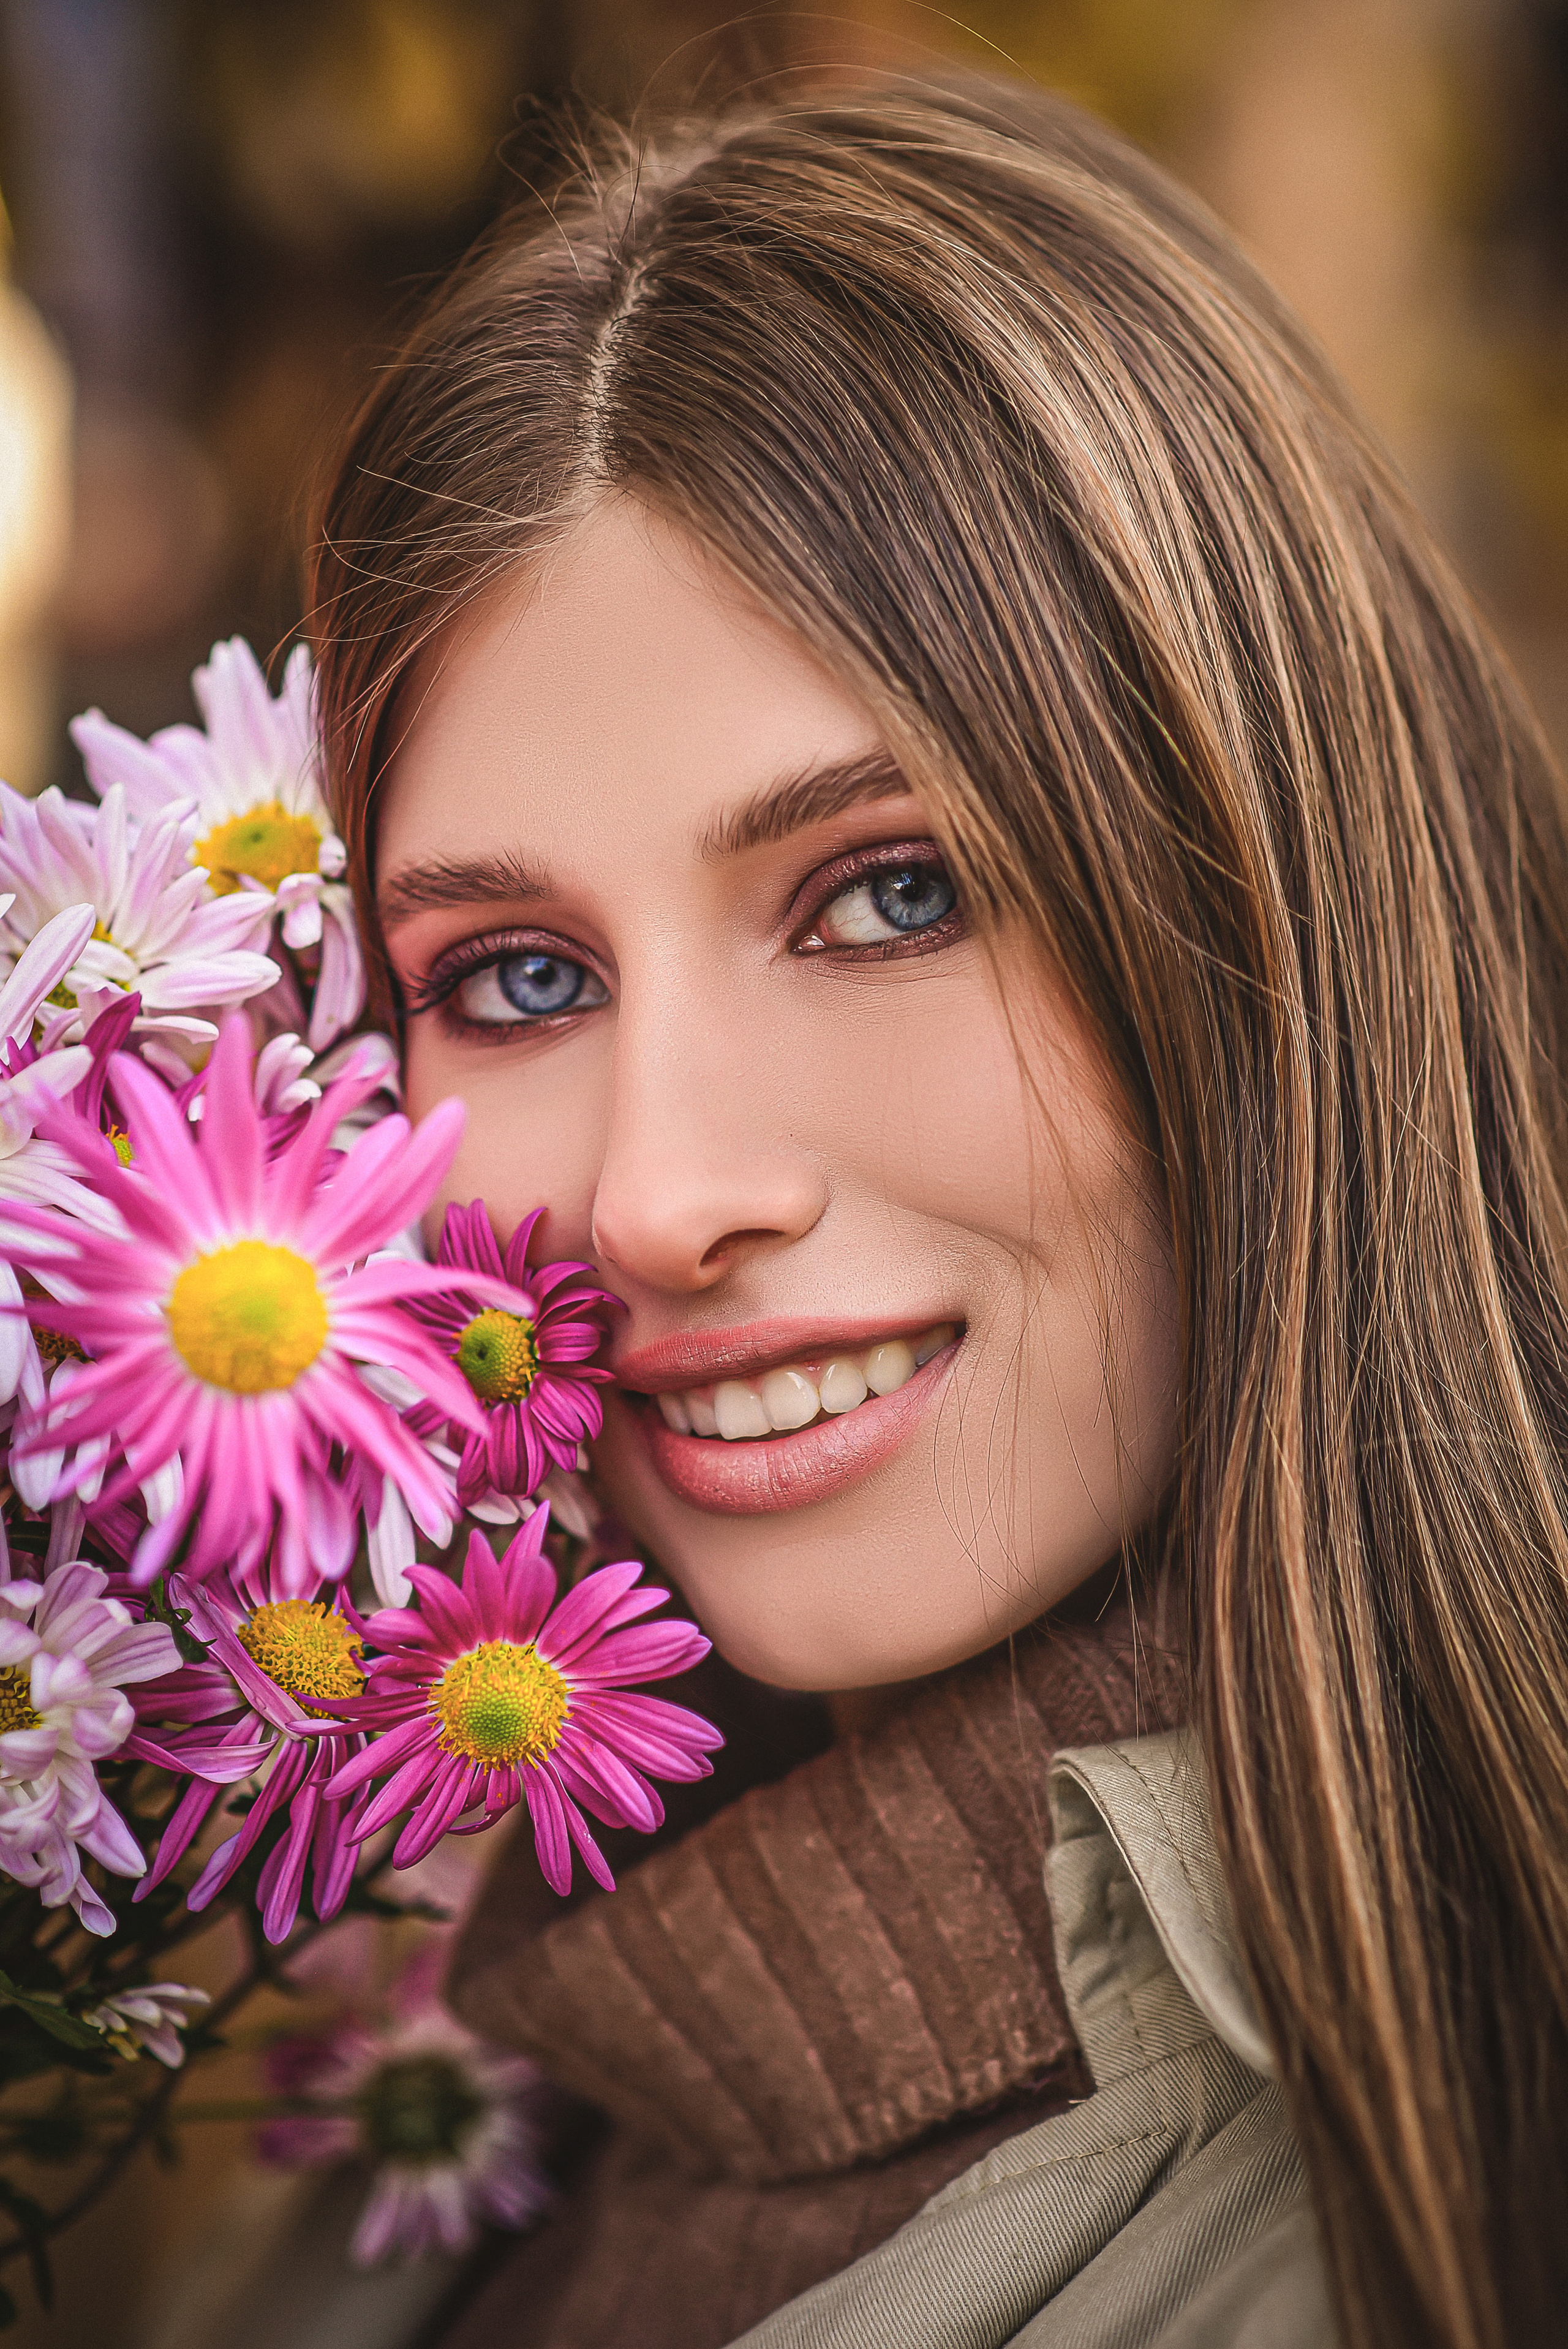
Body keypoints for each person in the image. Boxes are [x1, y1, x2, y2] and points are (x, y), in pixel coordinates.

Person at [307, 70, 1568, 2349]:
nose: (662, 1196)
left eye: (891, 892)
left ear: (1285, 899)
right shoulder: (461, 2083)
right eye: (513, 976)